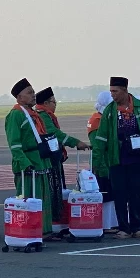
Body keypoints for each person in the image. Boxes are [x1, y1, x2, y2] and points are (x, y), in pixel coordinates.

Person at [93, 77, 140, 239]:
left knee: (137, 193)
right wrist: (98, 160)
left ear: (124, 90)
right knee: (120, 194)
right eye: (111, 92)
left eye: (115, 91)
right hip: (117, 159)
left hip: (139, 159)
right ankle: (124, 227)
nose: (113, 95)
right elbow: (101, 137)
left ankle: (136, 227)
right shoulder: (110, 111)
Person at [5, 78, 59, 241]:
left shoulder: (34, 114)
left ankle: (44, 231)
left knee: (43, 197)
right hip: (27, 165)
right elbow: (14, 144)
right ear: (19, 97)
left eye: (33, 92)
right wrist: (24, 163)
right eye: (29, 93)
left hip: (40, 161)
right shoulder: (15, 115)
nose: (33, 95)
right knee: (28, 197)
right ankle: (29, 230)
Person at [35, 87, 89, 224]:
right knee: (53, 189)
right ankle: (54, 222)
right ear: (46, 103)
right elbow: (54, 134)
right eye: (54, 102)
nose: (55, 105)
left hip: (54, 157)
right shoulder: (43, 115)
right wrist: (75, 142)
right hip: (50, 159)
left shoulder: (44, 115)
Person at [87, 91, 118, 233]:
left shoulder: (102, 118)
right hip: (103, 164)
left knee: (110, 195)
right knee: (105, 195)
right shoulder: (97, 121)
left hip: (108, 162)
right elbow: (98, 147)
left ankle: (111, 223)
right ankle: (106, 225)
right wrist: (98, 165)